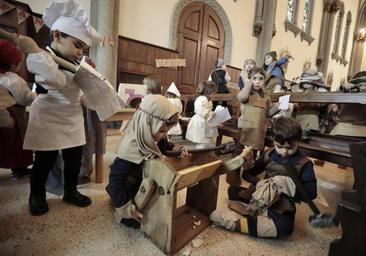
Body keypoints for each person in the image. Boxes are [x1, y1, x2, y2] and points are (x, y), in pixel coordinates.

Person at [16, 0, 106, 215]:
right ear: (57, 35)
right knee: (45, 161)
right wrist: (76, 70)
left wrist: (92, 85)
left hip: (72, 116)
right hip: (48, 115)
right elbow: (56, 81)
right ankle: (36, 195)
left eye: (83, 49)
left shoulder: (76, 62)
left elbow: (81, 91)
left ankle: (70, 190)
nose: (79, 52)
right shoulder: (40, 57)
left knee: (74, 159)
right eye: (76, 45)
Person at [211, 117, 317, 239]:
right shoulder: (269, 154)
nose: (284, 152)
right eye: (279, 146)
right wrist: (248, 164)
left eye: (290, 147)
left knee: (284, 229)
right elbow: (250, 174)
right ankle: (257, 213)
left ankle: (236, 225)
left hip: (281, 206)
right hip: (261, 196)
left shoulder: (304, 163)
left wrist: (287, 184)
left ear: (299, 141)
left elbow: (311, 193)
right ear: (273, 140)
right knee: (232, 191)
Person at [106, 95, 189, 228]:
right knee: (139, 222)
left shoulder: (151, 136)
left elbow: (164, 146)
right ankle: (120, 206)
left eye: (166, 131)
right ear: (147, 123)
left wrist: (176, 149)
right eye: (162, 130)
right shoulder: (130, 148)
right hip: (128, 189)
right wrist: (125, 207)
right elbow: (116, 180)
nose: (164, 135)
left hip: (145, 181)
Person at [227, 67, 277, 186]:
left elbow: (269, 112)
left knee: (252, 153)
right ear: (250, 79)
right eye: (254, 78)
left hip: (258, 129)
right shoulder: (246, 93)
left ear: (264, 81)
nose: (257, 81)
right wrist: (248, 84)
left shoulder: (266, 96)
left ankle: (248, 172)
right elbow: (241, 97)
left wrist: (280, 107)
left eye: (261, 79)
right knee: (240, 150)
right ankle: (233, 174)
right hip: (245, 127)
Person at [0, 39, 35, 179]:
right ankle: (19, 168)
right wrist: (34, 95)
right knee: (18, 142)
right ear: (13, 64)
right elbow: (23, 98)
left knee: (4, 143)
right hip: (14, 115)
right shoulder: (14, 79)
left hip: (2, 115)